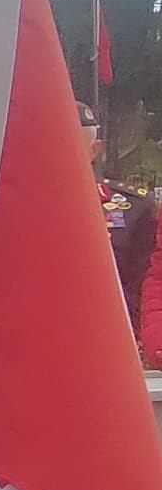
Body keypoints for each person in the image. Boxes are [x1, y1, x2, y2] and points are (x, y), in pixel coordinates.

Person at [80, 102, 154, 334]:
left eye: (72, 145)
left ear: (95, 149)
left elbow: (145, 286)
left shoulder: (134, 208)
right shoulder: (15, 206)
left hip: (109, 334)